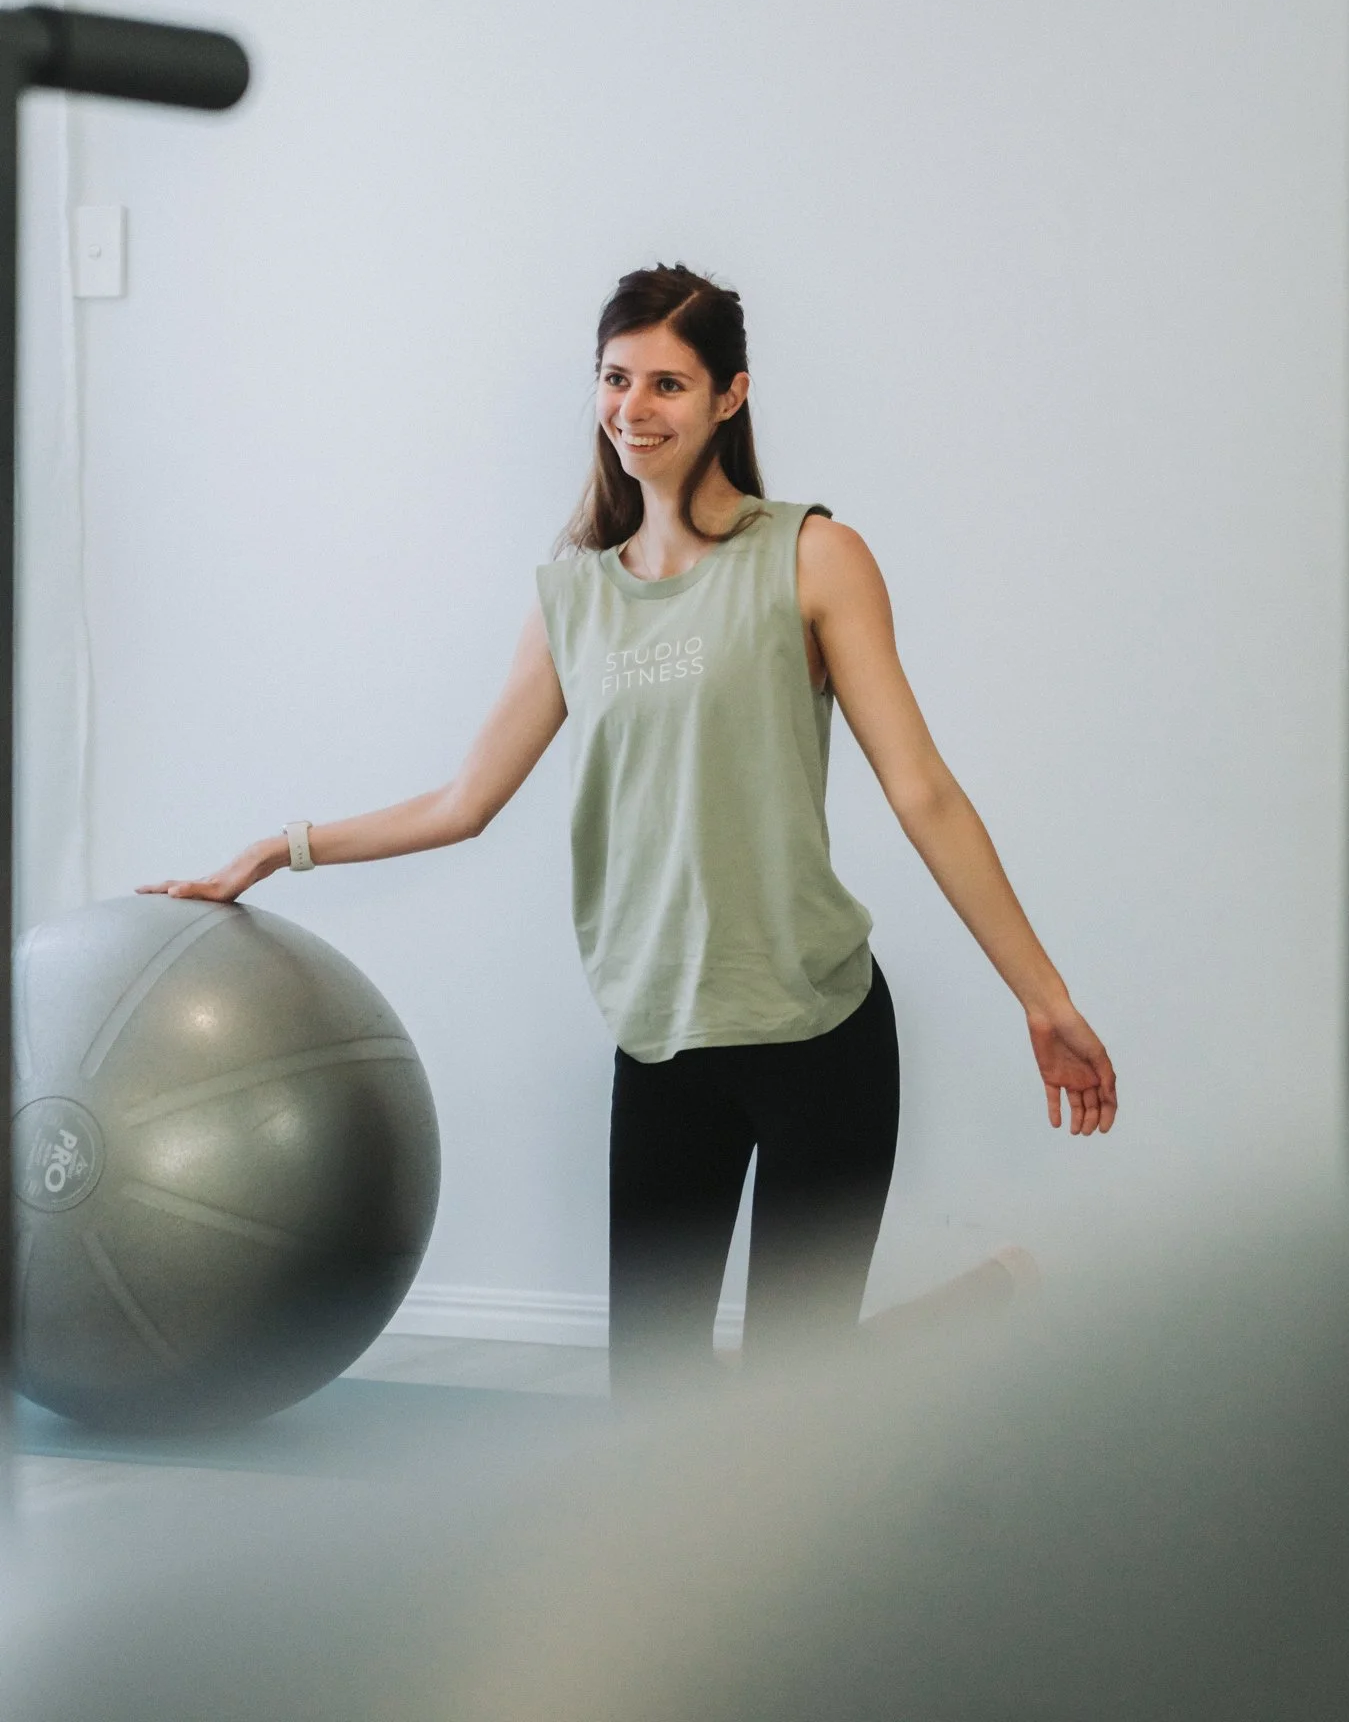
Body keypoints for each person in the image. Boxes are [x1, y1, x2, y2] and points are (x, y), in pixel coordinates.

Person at [140, 263, 1117, 1399]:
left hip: (820, 1032)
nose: (634, 408)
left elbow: (924, 793)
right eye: (616, 378)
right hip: (662, 1043)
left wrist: (1044, 997)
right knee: (656, 1419)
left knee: (790, 1405)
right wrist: (279, 846)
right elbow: (466, 800)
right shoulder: (575, 600)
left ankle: (941, 1327)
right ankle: (972, 1307)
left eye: (669, 382)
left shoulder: (809, 556)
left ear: (729, 398)